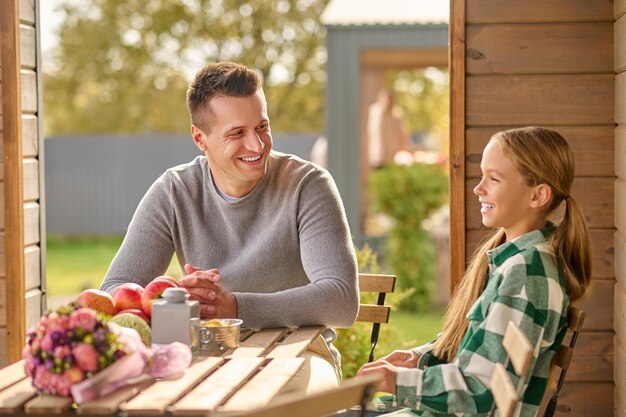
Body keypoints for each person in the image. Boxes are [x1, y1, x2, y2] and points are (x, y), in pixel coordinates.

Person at [100, 62, 359, 391]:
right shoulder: (173, 192)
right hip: (205, 358)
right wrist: (175, 296)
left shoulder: (307, 185)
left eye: (262, 127)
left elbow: (341, 300)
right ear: (200, 138)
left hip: (300, 354)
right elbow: (113, 293)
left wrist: (235, 306)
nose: (257, 145)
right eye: (237, 133)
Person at [344, 127, 592, 416]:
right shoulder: (520, 262)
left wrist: (396, 380)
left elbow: (480, 389)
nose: (478, 188)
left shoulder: (526, 274)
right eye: (482, 175)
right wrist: (418, 358)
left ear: (537, 195)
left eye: (494, 178)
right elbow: (482, 351)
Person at [366, 87, 413, 169]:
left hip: (388, 157)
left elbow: (400, 133)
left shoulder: (391, 115)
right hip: (379, 157)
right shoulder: (377, 113)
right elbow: (378, 136)